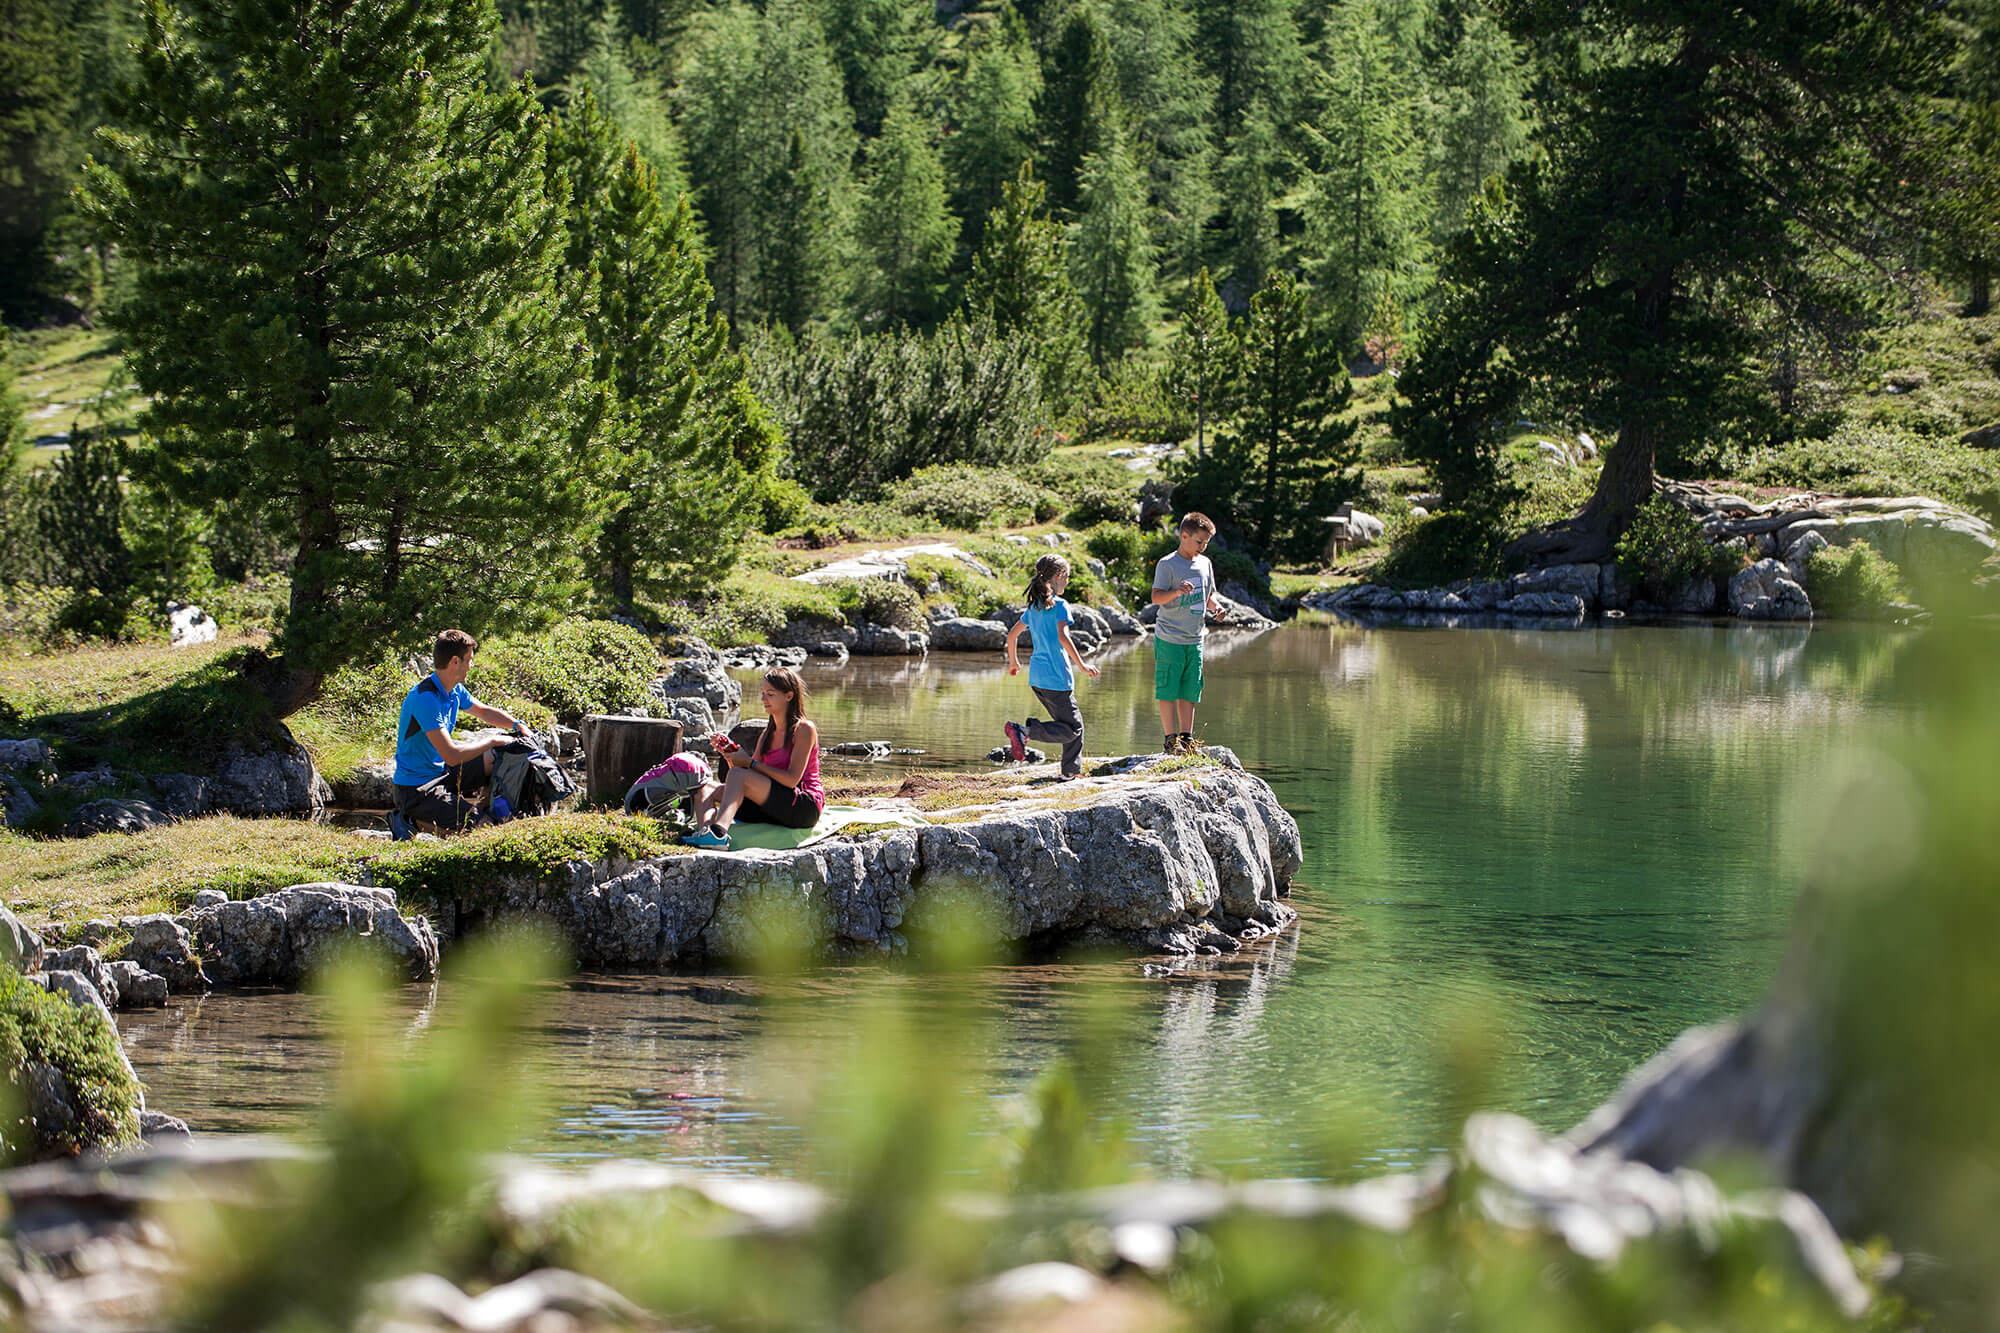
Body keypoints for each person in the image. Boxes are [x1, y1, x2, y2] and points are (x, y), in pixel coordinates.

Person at [390, 629, 528, 839]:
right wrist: (492, 740)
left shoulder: (454, 690)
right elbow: (452, 755)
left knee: (497, 756)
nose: (472, 665)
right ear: (455, 661)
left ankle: (486, 809)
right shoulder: (425, 698)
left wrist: (517, 725)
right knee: (485, 829)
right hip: (416, 789)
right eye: (469, 660)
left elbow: (484, 712)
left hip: (442, 772)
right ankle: (410, 821)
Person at [684, 667, 825, 849]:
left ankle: (719, 833)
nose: (763, 699)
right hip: (771, 806)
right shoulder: (767, 734)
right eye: (763, 693)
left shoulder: (804, 729)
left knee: (737, 775)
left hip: (803, 807)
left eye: (770, 694)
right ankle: (706, 833)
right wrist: (731, 755)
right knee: (705, 787)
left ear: (789, 696)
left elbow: (791, 780)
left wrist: (749, 762)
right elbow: (746, 777)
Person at [1002, 553, 1100, 780]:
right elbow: (1063, 637)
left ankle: (1069, 773)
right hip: (1056, 678)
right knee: (1075, 729)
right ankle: (1024, 731)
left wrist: (1014, 662)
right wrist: (1082, 665)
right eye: (1067, 577)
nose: (1068, 581)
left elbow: (1012, 635)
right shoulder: (1060, 606)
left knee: (1067, 726)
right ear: (1058, 576)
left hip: (1038, 678)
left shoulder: (1034, 607)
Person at [1150, 512, 1220, 754]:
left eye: (1206, 543)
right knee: (1168, 688)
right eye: (1199, 541)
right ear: (1184, 536)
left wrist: (1216, 608)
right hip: (1169, 637)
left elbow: (1208, 595)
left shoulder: (1205, 563)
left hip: (1195, 638)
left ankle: (1187, 738)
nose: (1202, 547)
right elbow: (1156, 597)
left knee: (1190, 689)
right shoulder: (1167, 564)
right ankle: (1171, 740)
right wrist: (1177, 592)